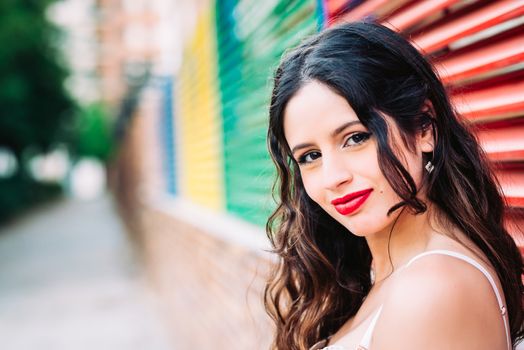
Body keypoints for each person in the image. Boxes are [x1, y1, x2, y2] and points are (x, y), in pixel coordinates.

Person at [264, 22, 523, 350]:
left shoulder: (430, 289)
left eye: (356, 138)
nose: (333, 177)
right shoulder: (381, 271)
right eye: (310, 156)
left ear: (424, 128)